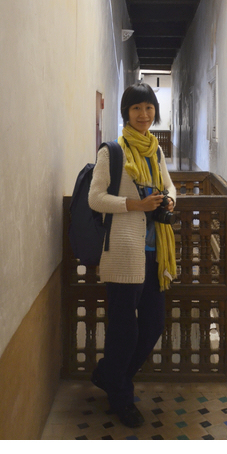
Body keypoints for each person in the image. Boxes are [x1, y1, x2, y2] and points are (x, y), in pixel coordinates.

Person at [88, 82, 177, 428]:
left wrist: (170, 200)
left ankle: (110, 375)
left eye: (149, 108)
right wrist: (134, 205)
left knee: (153, 324)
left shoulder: (156, 151)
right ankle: (121, 396)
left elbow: (169, 185)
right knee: (124, 331)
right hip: (124, 253)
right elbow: (96, 198)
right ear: (126, 112)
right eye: (137, 108)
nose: (143, 114)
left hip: (155, 253)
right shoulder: (112, 152)